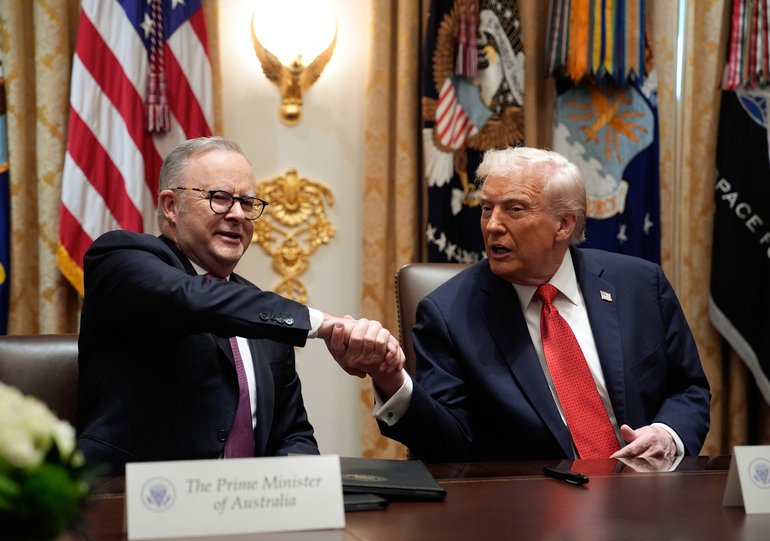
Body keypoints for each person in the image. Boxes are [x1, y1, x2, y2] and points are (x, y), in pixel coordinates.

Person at [331, 146, 711, 465]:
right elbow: (449, 445)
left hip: (645, 502)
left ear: (563, 225)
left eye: (514, 210)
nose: (492, 225)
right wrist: (392, 381)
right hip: (529, 515)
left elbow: (688, 389)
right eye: (486, 209)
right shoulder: (449, 314)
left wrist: (668, 433)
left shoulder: (640, 285)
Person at [76, 136, 402, 473]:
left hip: (251, 510)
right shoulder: (120, 260)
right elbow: (192, 299)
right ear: (171, 206)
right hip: (131, 505)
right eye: (220, 199)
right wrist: (324, 325)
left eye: (247, 203)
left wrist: (305, 496)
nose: (237, 215)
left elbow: (292, 434)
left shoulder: (263, 316)